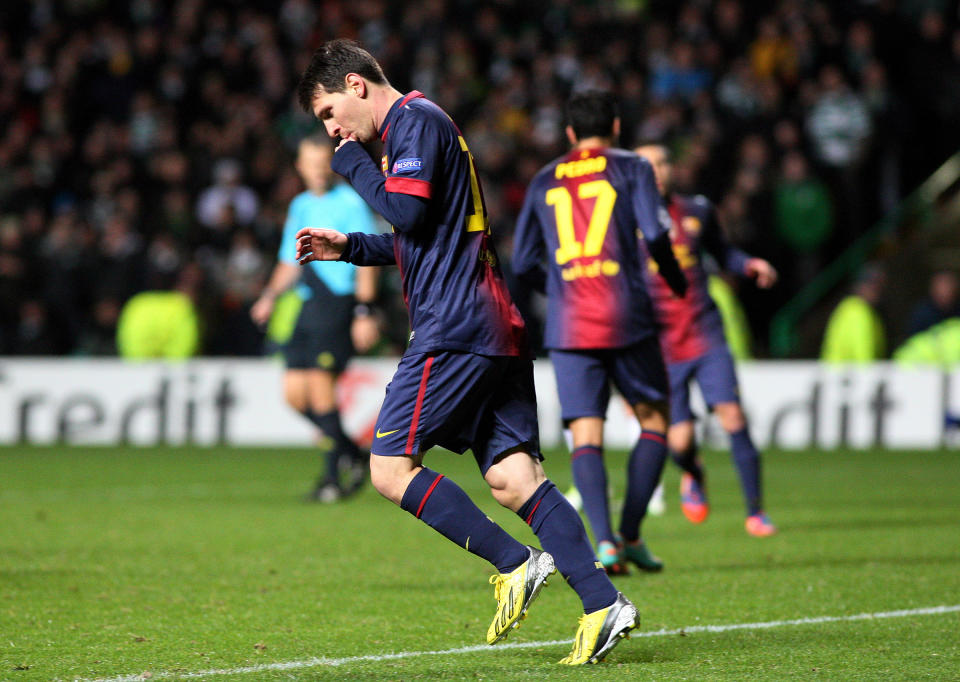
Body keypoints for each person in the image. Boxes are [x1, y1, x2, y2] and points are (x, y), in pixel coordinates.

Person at [293, 39, 636, 665]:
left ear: (356, 84)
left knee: (389, 469)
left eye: (328, 113)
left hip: (454, 326)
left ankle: (516, 564)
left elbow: (409, 214)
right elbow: (418, 237)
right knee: (513, 478)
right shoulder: (417, 130)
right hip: (492, 323)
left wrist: (353, 166)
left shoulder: (414, 122)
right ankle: (603, 602)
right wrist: (350, 247)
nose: (333, 129)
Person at [511, 92, 688, 576]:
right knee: (655, 418)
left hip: (570, 324)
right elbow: (655, 233)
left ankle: (606, 543)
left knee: (586, 431)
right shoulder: (632, 167)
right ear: (614, 125)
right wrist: (675, 281)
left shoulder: (545, 178)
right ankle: (631, 533)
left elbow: (523, 261)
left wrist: (565, 289)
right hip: (625, 313)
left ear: (569, 133)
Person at [635, 143, 778, 537]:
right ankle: (693, 473)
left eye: (663, 161)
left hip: (705, 333)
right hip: (662, 345)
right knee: (679, 442)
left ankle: (756, 512)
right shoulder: (622, 220)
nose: (658, 170)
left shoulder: (698, 210)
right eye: (648, 165)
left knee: (732, 415)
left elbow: (724, 253)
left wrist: (748, 263)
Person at [251, 135, 380, 502]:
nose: (318, 169)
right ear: (300, 166)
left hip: (337, 303)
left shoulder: (352, 203)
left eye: (324, 161)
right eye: (311, 161)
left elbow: (367, 259)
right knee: (294, 395)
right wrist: (270, 297)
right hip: (307, 304)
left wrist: (364, 311)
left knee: (321, 389)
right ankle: (353, 455)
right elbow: (290, 261)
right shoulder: (301, 205)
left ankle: (330, 480)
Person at [820, 264, 886, 363]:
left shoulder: (847, 307)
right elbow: (863, 351)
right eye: (876, 286)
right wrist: (868, 375)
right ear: (863, 286)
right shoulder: (858, 312)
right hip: (847, 376)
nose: (880, 291)